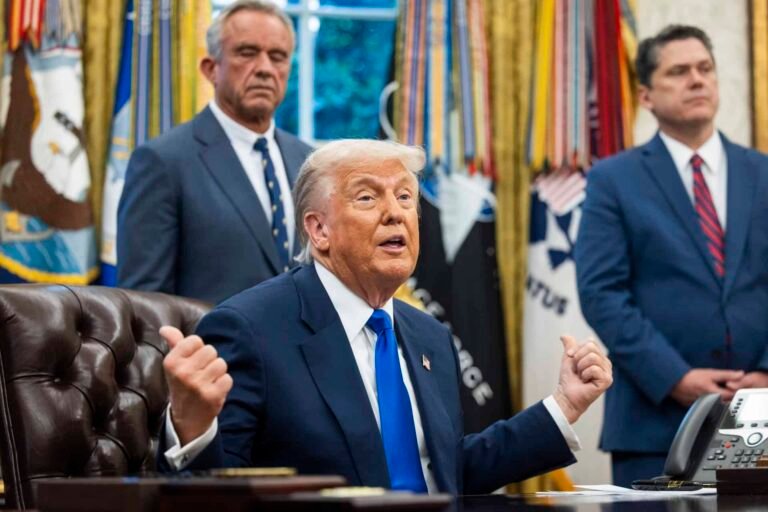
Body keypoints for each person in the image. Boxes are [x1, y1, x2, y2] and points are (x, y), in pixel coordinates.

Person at [156, 139, 613, 494]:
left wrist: (564, 405)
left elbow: (448, 472)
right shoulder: (249, 329)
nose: (396, 213)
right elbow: (218, 493)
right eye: (367, 198)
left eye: (406, 197)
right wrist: (193, 428)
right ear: (319, 229)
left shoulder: (429, 335)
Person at [575, 24, 768, 487]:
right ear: (646, 95)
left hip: (760, 415)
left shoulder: (762, 173)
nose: (696, 80)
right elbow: (602, 293)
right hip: (655, 421)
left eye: (705, 69)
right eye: (679, 72)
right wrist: (675, 377)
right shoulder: (612, 180)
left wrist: (765, 372)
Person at [117, 0, 311, 304]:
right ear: (211, 69)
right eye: (247, 53)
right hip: (207, 337)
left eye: (278, 57)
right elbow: (145, 303)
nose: (264, 68)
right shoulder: (163, 162)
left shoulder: (309, 161)